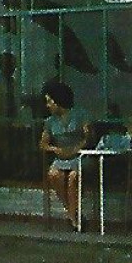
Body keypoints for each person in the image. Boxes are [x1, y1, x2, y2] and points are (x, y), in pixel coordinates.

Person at [39, 80, 91, 229]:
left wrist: (76, 149)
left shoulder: (81, 114)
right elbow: (43, 143)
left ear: (58, 100)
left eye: (49, 101)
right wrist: (55, 149)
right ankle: (74, 214)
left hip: (80, 156)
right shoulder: (50, 122)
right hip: (61, 156)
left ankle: (73, 218)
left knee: (73, 178)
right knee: (54, 175)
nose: (47, 105)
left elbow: (89, 137)